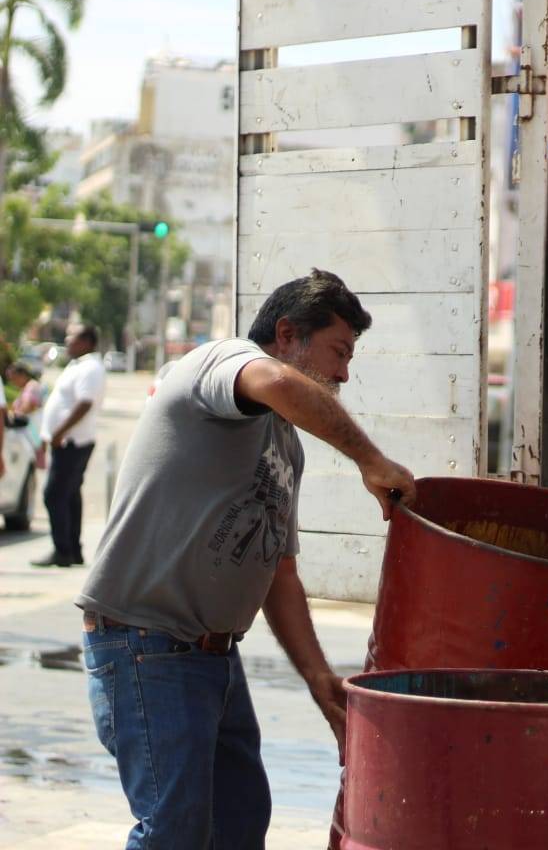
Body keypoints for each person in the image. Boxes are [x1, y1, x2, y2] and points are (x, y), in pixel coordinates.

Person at [76, 269, 418, 849]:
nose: (343, 373)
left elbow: (277, 572)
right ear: (286, 335)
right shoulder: (219, 362)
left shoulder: (284, 445)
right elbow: (274, 381)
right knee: (174, 831)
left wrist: (318, 678)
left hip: (213, 659)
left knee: (238, 822)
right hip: (146, 647)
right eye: (338, 351)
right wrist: (370, 459)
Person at [33, 324, 106, 567]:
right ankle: (73, 550)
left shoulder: (91, 368)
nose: (67, 342)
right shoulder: (79, 366)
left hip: (73, 442)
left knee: (53, 494)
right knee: (70, 495)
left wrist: (59, 432)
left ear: (86, 341)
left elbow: (84, 404)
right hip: (66, 441)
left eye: (72, 338)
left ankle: (62, 550)